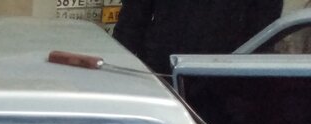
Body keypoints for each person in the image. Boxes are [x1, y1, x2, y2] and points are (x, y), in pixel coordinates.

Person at [113, 0, 284, 75]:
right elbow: (132, 20)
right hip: (165, 70)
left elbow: (264, 27)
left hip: (225, 75)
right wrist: (118, 62)